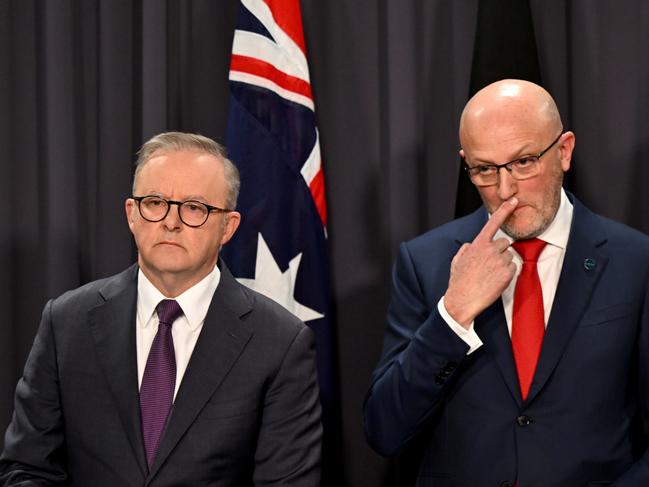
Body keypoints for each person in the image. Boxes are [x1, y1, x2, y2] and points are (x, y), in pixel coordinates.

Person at [364, 79, 649, 486]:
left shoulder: (636, 261)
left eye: (524, 162)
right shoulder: (425, 262)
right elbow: (384, 431)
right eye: (484, 169)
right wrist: (453, 314)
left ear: (564, 151)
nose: (505, 189)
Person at [0, 132, 322, 486]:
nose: (171, 221)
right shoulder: (66, 323)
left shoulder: (279, 343)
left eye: (195, 208)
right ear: (132, 214)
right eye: (155, 202)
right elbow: (27, 469)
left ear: (227, 228)